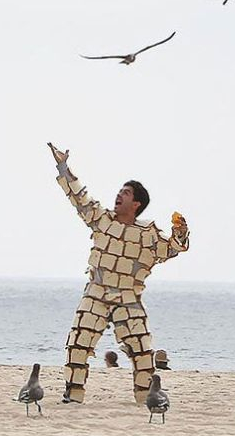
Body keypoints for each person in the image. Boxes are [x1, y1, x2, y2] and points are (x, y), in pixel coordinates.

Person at [48, 142, 189, 405]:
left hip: (128, 296)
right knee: (78, 344)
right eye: (119, 191)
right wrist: (63, 167)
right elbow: (79, 199)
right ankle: (73, 393)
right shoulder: (103, 220)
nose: (119, 196)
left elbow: (173, 248)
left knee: (143, 351)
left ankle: (146, 397)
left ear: (136, 203)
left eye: (125, 193)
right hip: (96, 293)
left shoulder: (148, 235)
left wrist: (180, 232)